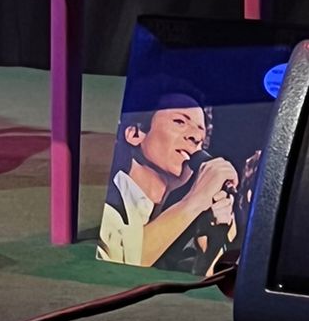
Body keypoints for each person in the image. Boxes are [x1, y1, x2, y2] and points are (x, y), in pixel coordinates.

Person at [97, 98, 238, 267]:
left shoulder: (179, 226)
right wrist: (196, 200)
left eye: (201, 133)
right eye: (179, 122)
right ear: (135, 134)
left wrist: (211, 247)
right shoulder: (103, 205)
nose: (196, 137)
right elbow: (116, 264)